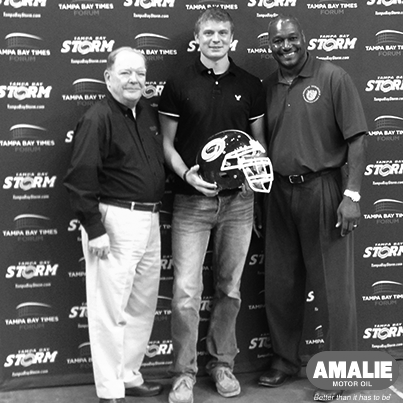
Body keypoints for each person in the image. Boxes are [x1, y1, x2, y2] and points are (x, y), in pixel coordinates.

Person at [158, 9, 267, 403]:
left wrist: (252, 175)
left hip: (239, 202)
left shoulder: (252, 85)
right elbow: (166, 144)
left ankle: (222, 366)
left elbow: (260, 145)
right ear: (197, 36)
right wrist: (187, 175)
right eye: (209, 32)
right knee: (186, 293)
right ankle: (183, 374)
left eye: (222, 32)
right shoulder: (178, 83)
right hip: (190, 202)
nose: (215, 38)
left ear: (232, 38)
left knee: (230, 289)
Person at [259, 15, 367, 402]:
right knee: (281, 285)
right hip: (279, 194)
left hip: (322, 189)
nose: (285, 46)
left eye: (291, 38)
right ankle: (285, 361)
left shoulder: (333, 77)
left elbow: (357, 140)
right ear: (269, 45)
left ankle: (344, 373)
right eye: (277, 41)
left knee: (333, 288)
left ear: (304, 39)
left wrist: (351, 196)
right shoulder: (268, 86)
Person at [64, 47, 165, 403]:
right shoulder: (98, 118)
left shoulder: (146, 112)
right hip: (114, 220)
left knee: (141, 305)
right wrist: (95, 229)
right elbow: (80, 179)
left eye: (140, 73)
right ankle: (110, 390)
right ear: (108, 78)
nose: (134, 79)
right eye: (125, 73)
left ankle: (129, 374)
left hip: (150, 219)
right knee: (109, 310)